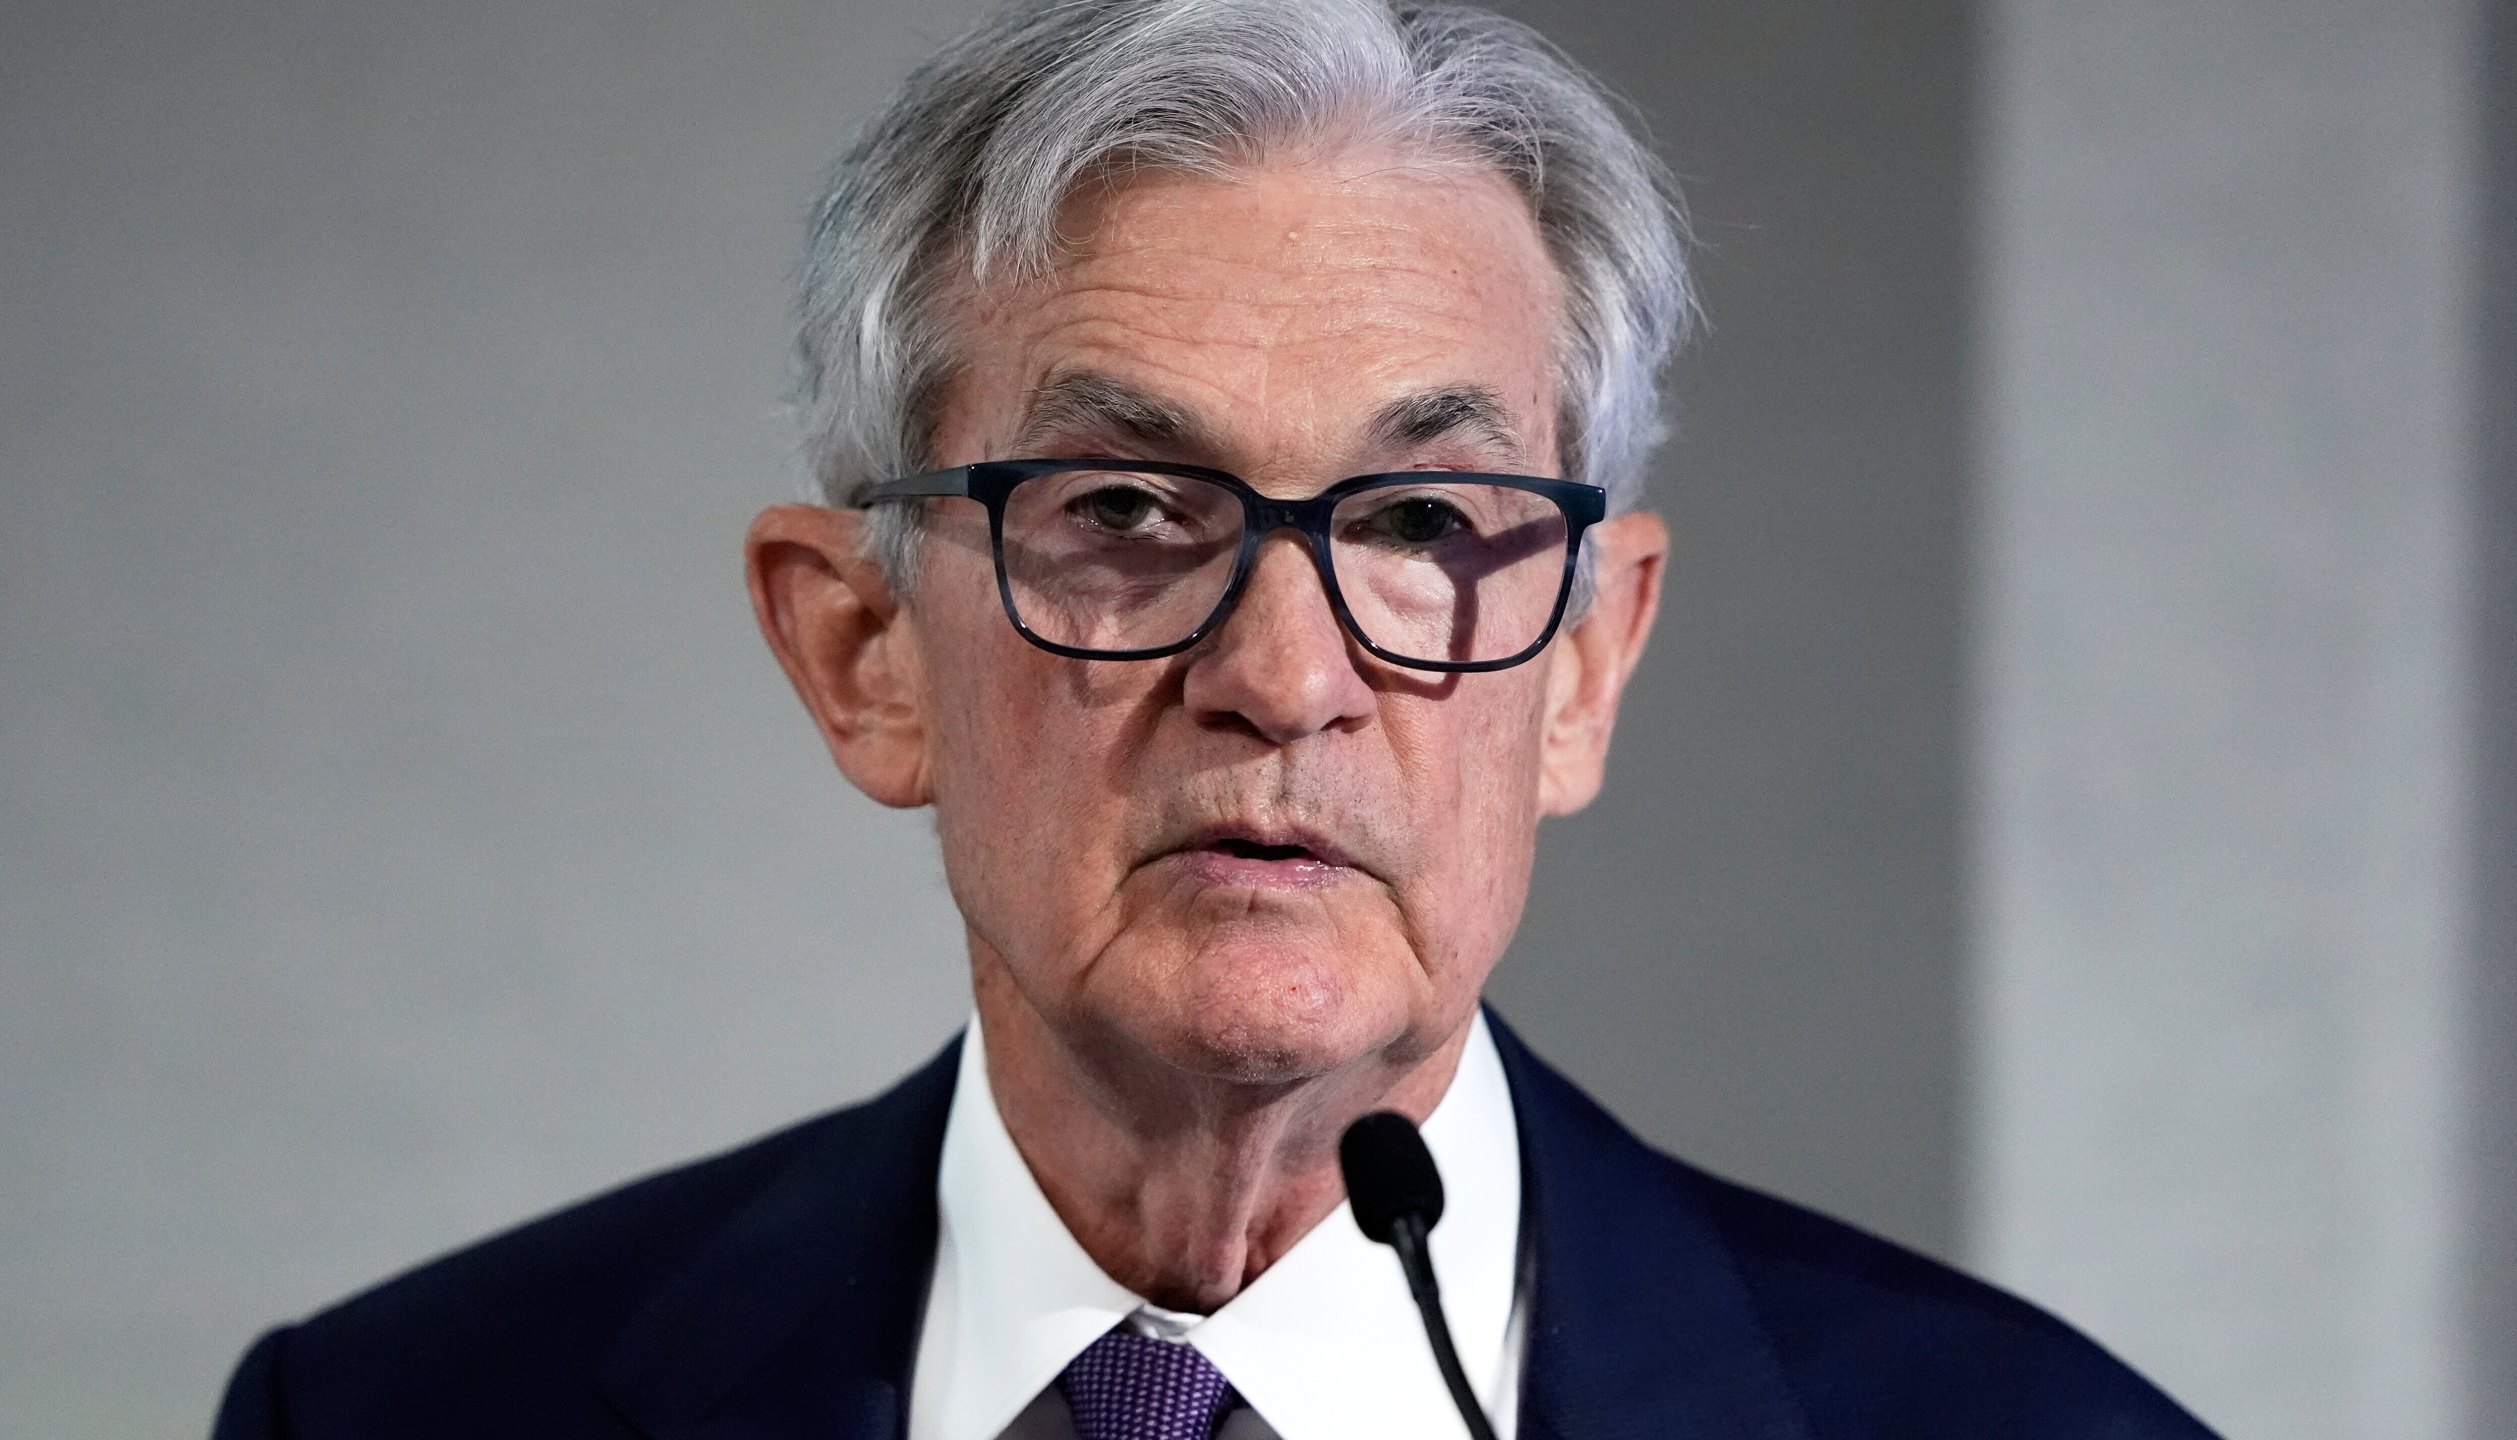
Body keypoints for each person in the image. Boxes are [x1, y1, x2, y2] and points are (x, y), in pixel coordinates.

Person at [211, 1, 2218, 1436]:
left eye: (1425, 518)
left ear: (1583, 669)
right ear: (861, 652)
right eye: (1122, 515)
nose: (1278, 671)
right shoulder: (396, 1408)